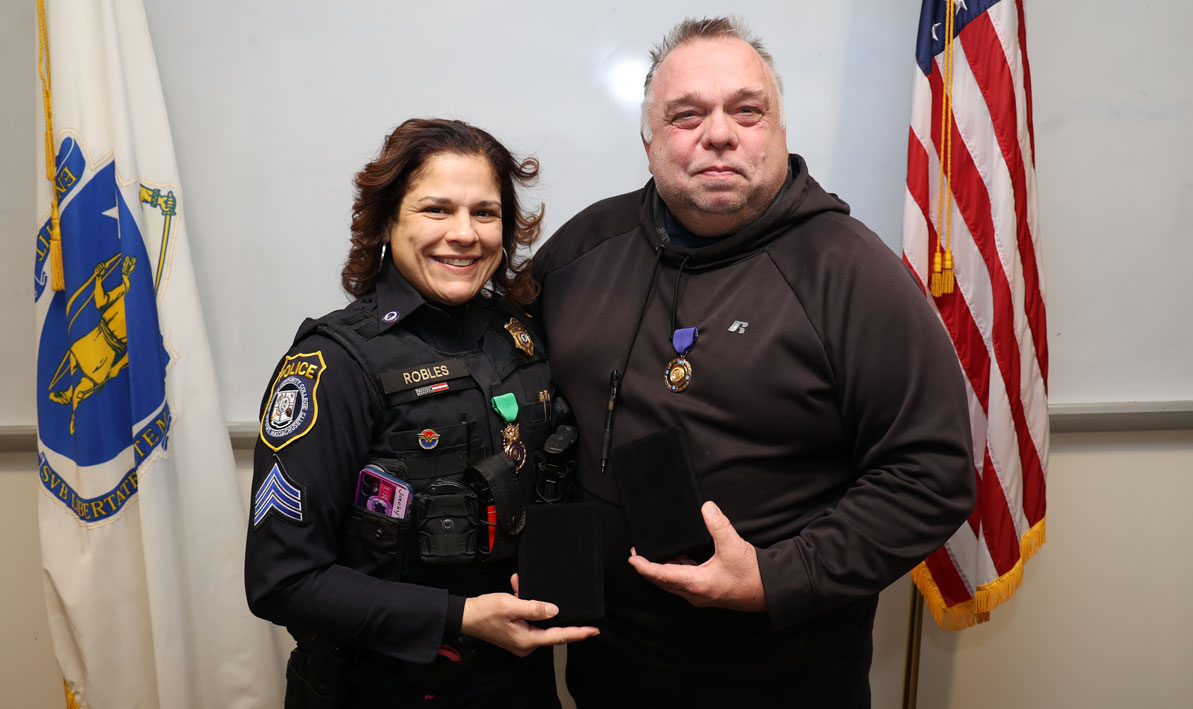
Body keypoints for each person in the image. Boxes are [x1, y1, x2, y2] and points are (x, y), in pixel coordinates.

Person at [531, 17, 977, 707]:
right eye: (686, 115)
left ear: (777, 130)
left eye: (746, 110)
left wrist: (777, 577)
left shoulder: (851, 271)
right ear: (648, 140)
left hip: (785, 674)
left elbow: (932, 475)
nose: (718, 133)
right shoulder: (580, 250)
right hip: (610, 672)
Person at [246, 118, 598, 708]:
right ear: (387, 220)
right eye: (437, 209)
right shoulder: (333, 365)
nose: (464, 234)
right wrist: (459, 617)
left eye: (485, 213)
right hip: (385, 687)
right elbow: (282, 581)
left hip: (521, 683)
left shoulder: (522, 336)